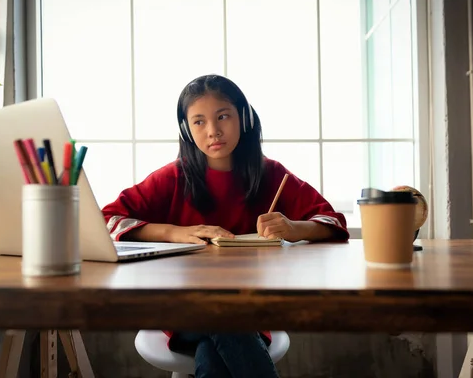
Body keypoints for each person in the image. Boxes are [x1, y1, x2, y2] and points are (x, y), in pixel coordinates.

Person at [102, 74, 349, 378]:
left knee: (215, 350)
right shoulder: (173, 178)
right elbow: (108, 219)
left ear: (243, 118)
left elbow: (332, 221)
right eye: (199, 122)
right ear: (186, 129)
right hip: (182, 310)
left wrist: (295, 229)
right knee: (225, 320)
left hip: (252, 310)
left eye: (223, 117)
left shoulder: (270, 174)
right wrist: (174, 233)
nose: (213, 131)